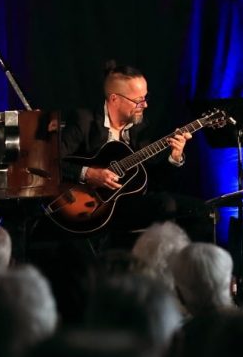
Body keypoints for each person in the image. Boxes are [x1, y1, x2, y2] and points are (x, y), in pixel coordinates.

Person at [57, 61, 200, 241]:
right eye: (138, 100)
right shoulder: (84, 121)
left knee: (200, 210)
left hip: (126, 201)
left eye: (146, 98)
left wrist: (174, 157)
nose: (145, 105)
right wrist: (88, 173)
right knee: (165, 204)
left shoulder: (140, 128)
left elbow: (152, 180)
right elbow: (50, 163)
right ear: (114, 99)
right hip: (86, 204)